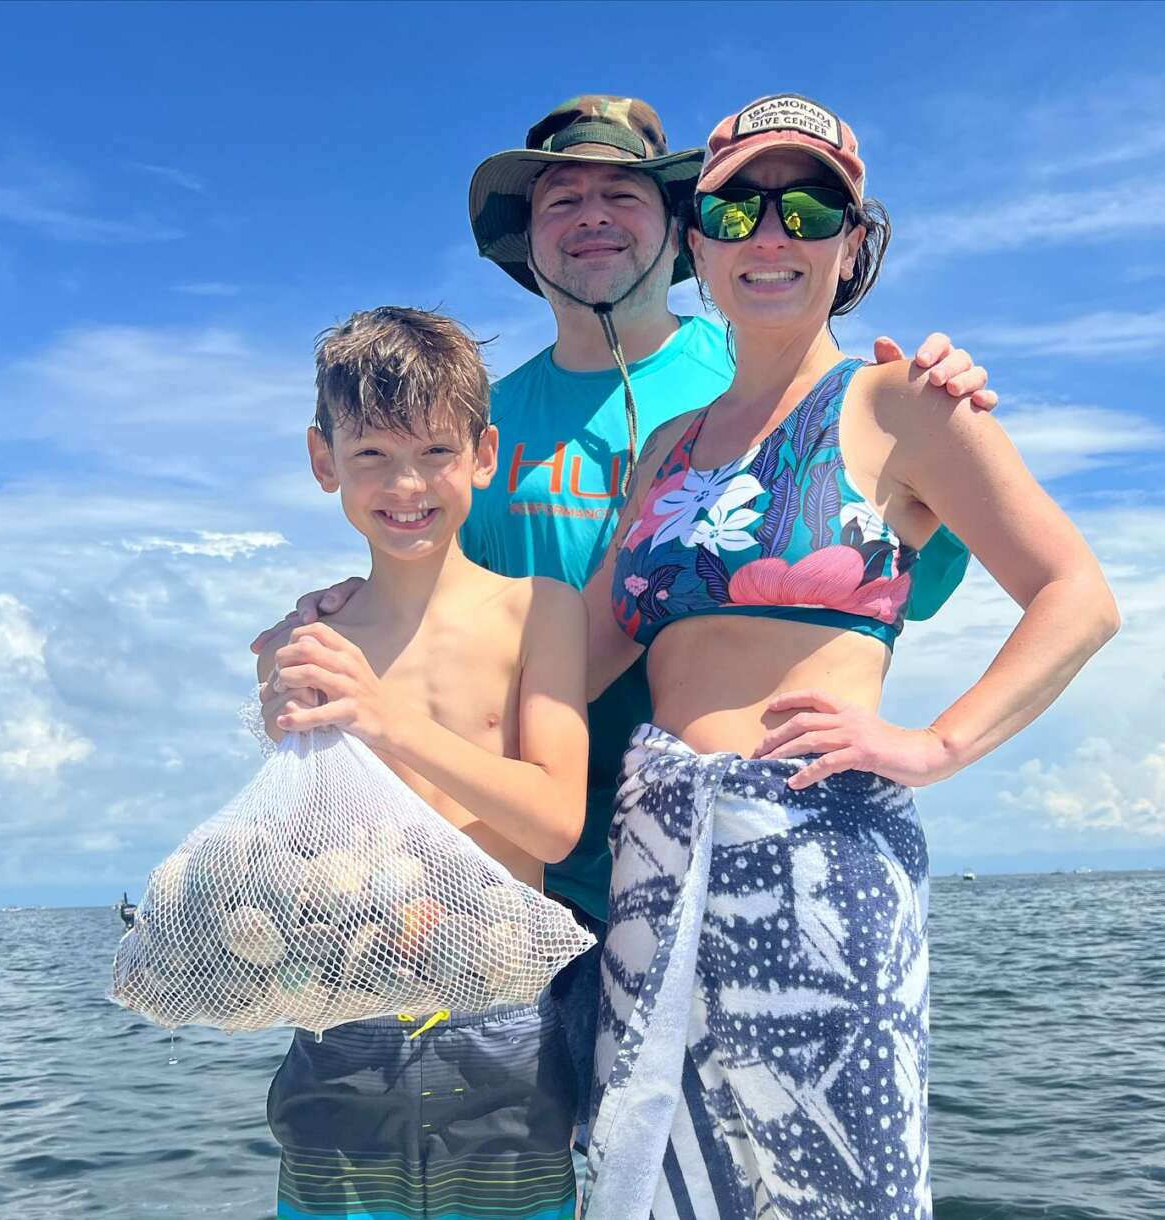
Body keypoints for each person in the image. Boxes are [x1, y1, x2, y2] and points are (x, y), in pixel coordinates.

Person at [251, 96, 996, 1152]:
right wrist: (328, 617)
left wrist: (937, 421)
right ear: (527, 238)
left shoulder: (761, 381)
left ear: (681, 229)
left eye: (621, 192)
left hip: (726, 861)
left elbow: (901, 586)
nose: (591, 214)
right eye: (562, 196)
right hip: (502, 881)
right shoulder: (471, 423)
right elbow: (428, 584)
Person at [577, 94, 1119, 1220]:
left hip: (821, 852)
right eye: (734, 211)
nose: (768, 236)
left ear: (852, 242)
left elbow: (1075, 597)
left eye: (808, 206)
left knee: (840, 1185)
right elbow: (563, 662)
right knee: (650, 1182)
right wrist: (377, 623)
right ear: (695, 243)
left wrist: (931, 743)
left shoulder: (902, 402)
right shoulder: (660, 454)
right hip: (656, 857)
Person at [255, 306, 591, 1220]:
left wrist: (388, 720)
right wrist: (274, 703)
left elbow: (558, 819)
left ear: (485, 455)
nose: (407, 483)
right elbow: (290, 848)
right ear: (324, 461)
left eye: (436, 452)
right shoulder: (306, 639)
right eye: (371, 456)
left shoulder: (541, 611)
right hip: (343, 1029)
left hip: (505, 1034)